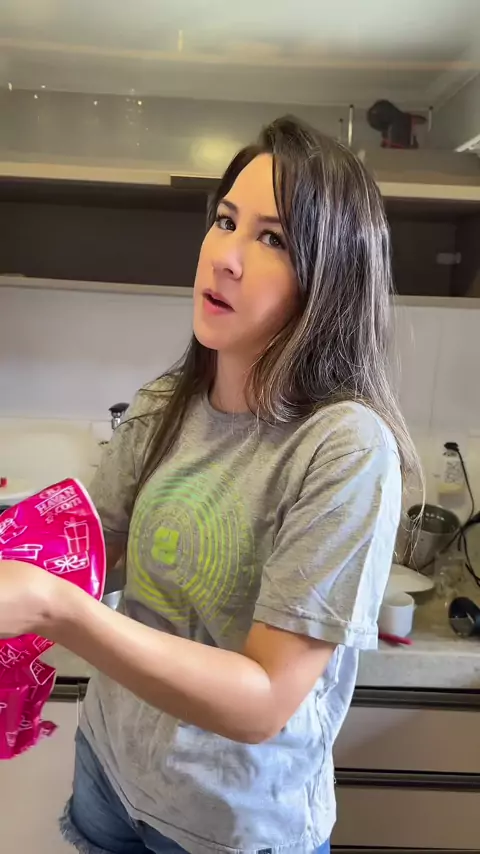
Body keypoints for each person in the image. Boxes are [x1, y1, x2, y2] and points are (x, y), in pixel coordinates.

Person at [0, 116, 418, 854]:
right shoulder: (166, 404)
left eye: (273, 239)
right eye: (226, 221)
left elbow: (264, 701)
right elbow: (90, 547)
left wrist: (57, 609)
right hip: (111, 772)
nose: (224, 257)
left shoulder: (345, 448)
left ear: (331, 280)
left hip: (229, 824)